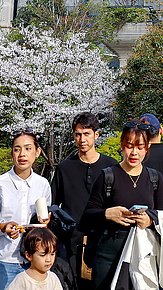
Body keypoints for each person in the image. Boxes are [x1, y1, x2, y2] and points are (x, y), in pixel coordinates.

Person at [80, 122, 163, 290]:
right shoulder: (107, 176)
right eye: (129, 146)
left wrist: (149, 220)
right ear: (122, 145)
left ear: (147, 147)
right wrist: (107, 214)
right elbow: (86, 218)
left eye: (140, 147)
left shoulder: (154, 178)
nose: (134, 153)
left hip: (143, 255)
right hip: (109, 254)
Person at [49, 112, 116, 284]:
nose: (82, 139)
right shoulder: (64, 168)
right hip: (71, 243)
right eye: (78, 134)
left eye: (86, 134)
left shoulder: (111, 166)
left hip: (103, 241)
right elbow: (53, 205)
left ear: (96, 135)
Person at [0, 131, 52, 290]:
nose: (22, 154)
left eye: (28, 148)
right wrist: (2, 227)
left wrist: (44, 223)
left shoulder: (43, 185)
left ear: (37, 152)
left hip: (32, 263)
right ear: (12, 154)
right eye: (17, 149)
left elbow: (43, 221)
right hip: (1, 261)